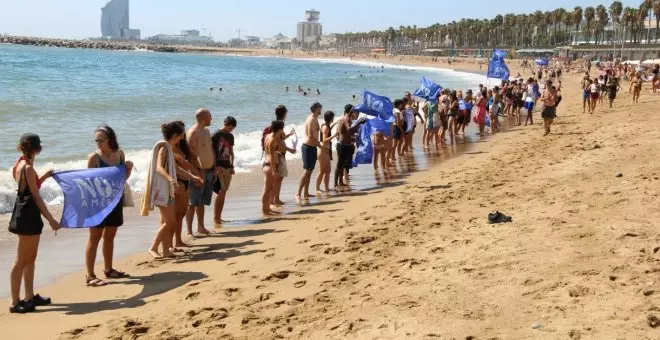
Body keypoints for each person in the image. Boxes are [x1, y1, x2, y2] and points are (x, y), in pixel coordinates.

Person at [8, 134, 60, 313]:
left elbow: (29, 188)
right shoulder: (28, 168)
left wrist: (44, 176)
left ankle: (29, 296)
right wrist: (51, 220)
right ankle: (15, 302)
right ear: (37, 149)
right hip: (28, 215)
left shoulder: (19, 164)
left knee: (30, 258)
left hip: (24, 214)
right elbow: (36, 197)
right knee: (21, 260)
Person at [85, 125, 134, 287]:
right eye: (96, 140)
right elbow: (88, 184)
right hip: (98, 204)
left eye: (101, 139)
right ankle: (90, 275)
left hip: (115, 201)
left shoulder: (119, 154)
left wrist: (129, 170)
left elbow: (122, 179)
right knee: (94, 238)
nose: (98, 143)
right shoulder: (94, 158)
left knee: (110, 236)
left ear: (110, 139)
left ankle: (109, 269)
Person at [143, 122, 186, 259]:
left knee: (165, 221)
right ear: (174, 135)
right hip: (162, 190)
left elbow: (176, 169)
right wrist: (171, 179)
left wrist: (192, 176)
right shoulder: (163, 147)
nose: (181, 138)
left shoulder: (169, 149)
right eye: (180, 135)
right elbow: (159, 167)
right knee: (170, 221)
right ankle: (153, 247)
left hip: (167, 190)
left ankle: (166, 250)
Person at [170, 121, 202, 250]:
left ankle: (178, 240)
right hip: (177, 181)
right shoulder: (169, 148)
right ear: (175, 134)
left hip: (186, 181)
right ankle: (170, 244)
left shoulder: (181, 146)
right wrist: (194, 175)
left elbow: (190, 160)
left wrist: (196, 171)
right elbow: (176, 167)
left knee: (182, 213)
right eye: (182, 133)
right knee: (175, 214)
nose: (184, 135)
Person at [185, 108, 215, 236]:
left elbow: (211, 149)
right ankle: (189, 231)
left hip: (209, 170)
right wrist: (197, 172)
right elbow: (191, 155)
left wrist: (214, 167)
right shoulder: (193, 132)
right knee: (192, 202)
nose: (211, 118)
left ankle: (201, 227)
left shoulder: (207, 131)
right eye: (209, 116)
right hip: (197, 172)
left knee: (201, 201)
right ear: (203, 118)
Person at [211, 116, 237, 228]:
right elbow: (211, 152)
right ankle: (216, 218)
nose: (230, 130)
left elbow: (231, 152)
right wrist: (215, 167)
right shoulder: (216, 135)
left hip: (227, 166)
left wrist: (232, 165)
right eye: (229, 127)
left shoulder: (230, 136)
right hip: (218, 167)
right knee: (221, 191)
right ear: (225, 123)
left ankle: (219, 217)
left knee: (224, 192)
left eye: (232, 128)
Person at [270, 105, 296, 207]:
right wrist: (290, 150)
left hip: (277, 154)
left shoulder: (276, 123)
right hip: (279, 155)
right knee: (278, 178)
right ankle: (275, 200)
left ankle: (274, 199)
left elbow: (279, 138)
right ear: (284, 113)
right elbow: (279, 141)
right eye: (286, 112)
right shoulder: (280, 124)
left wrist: (288, 135)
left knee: (277, 178)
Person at [296, 102, 322, 202]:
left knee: (310, 171)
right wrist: (319, 145)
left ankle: (306, 193)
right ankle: (298, 193)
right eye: (319, 108)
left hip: (312, 147)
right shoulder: (311, 119)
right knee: (307, 171)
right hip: (308, 147)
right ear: (315, 109)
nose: (321, 110)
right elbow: (311, 136)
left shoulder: (314, 118)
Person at [335, 105, 366, 187]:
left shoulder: (347, 118)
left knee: (341, 165)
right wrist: (359, 122)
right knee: (339, 165)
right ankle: (336, 183)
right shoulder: (346, 118)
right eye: (354, 111)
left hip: (345, 144)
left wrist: (355, 136)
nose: (354, 112)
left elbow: (348, 132)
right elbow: (349, 129)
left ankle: (340, 182)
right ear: (351, 111)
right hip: (342, 145)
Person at [262, 121, 284, 215]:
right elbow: (271, 156)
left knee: (269, 189)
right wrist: (274, 171)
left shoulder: (268, 136)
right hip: (270, 166)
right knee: (267, 190)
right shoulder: (273, 139)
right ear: (279, 129)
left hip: (266, 164)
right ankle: (265, 210)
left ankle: (267, 208)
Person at [316, 111, 337, 194]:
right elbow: (324, 140)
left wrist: (333, 125)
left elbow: (327, 132)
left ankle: (327, 188)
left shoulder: (327, 126)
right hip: (323, 150)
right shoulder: (325, 127)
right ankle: (317, 188)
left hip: (326, 151)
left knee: (328, 171)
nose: (333, 118)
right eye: (333, 117)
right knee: (322, 171)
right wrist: (334, 135)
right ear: (330, 118)